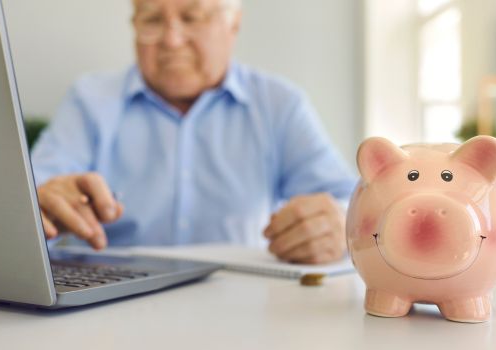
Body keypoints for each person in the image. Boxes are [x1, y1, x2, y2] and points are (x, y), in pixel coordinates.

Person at [32, 0, 356, 264]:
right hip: (106, 307)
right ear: (134, 25)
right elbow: (27, 200)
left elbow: (351, 204)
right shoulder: (89, 100)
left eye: (192, 17)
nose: (171, 40)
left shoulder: (279, 104)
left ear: (234, 24)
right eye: (152, 19)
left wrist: (338, 225)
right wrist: (42, 202)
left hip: (242, 306)